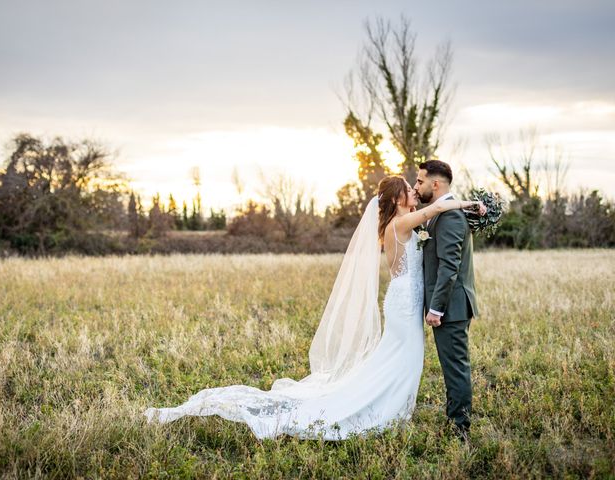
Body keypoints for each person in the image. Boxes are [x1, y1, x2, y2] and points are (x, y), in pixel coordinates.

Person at [144, 173, 484, 440]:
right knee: (404, 360)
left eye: (416, 185)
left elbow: (430, 224)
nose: (414, 190)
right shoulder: (400, 224)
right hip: (405, 305)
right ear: (396, 199)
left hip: (401, 300)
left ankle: (391, 408)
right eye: (409, 188)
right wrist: (471, 204)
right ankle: (381, 412)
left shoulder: (399, 225)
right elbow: (437, 208)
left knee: (397, 359)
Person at [414, 160, 479, 441]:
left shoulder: (450, 217)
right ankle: (456, 420)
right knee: (452, 365)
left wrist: (436, 308)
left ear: (435, 184)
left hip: (450, 307)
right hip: (447, 306)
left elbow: (449, 267)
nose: (417, 186)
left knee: (455, 367)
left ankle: (460, 429)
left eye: (419, 181)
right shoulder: (439, 213)